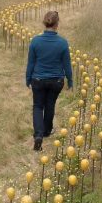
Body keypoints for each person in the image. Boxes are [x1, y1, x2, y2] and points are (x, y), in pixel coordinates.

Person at [26, 11, 73, 151]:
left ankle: (38, 135)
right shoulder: (63, 43)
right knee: (50, 104)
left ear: (44, 23)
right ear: (57, 24)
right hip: (56, 81)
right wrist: (70, 81)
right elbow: (67, 65)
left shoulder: (35, 41)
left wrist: (28, 78)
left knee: (38, 106)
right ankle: (47, 131)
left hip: (38, 79)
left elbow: (31, 63)